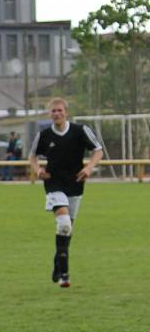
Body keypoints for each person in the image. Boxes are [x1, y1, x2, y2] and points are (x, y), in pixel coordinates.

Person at [29, 97, 103, 288]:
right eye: (53, 111)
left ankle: (57, 263)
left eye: (60, 110)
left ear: (66, 112)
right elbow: (32, 156)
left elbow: (98, 150)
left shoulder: (80, 131)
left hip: (75, 184)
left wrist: (89, 168)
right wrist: (37, 170)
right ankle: (65, 275)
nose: (57, 114)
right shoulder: (44, 135)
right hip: (53, 184)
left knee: (67, 229)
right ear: (49, 114)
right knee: (63, 224)